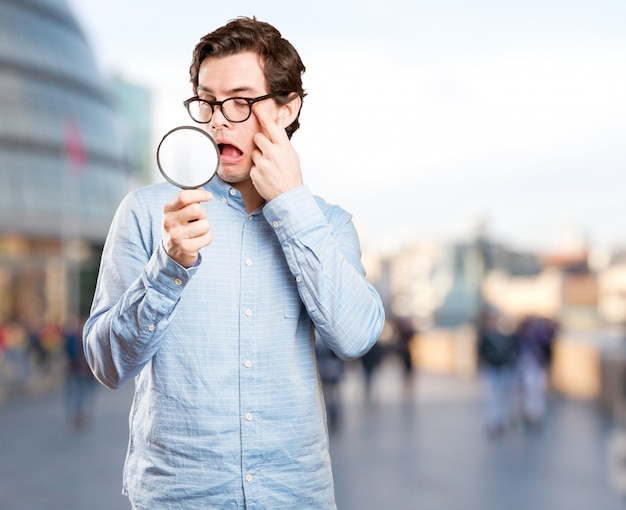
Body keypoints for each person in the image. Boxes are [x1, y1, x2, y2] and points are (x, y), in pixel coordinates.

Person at [83, 16, 384, 509]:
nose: (218, 119)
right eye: (207, 101)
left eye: (241, 102)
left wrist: (290, 205)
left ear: (286, 109)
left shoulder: (326, 224)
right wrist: (168, 267)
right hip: (177, 497)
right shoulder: (147, 213)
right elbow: (107, 365)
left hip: (294, 497)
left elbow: (355, 337)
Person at [476, 306, 519, 437]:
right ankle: (493, 421)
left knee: (503, 396)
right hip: (491, 368)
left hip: (503, 368)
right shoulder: (485, 335)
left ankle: (501, 420)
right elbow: (480, 352)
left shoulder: (505, 334)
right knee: (492, 396)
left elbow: (512, 350)